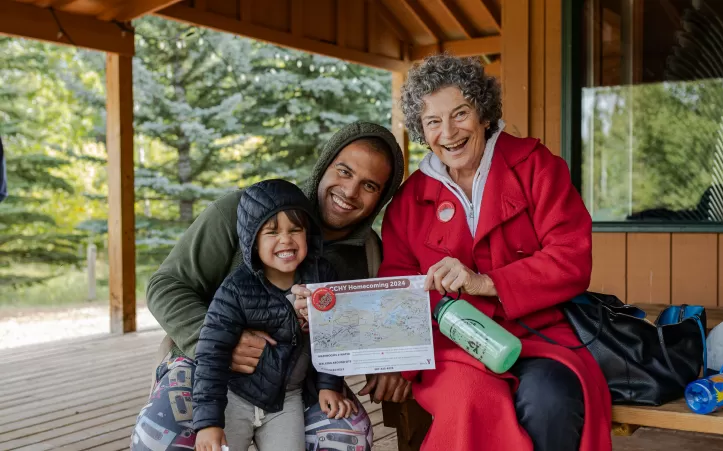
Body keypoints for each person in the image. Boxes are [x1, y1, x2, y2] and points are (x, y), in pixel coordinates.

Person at [375, 54, 612, 450]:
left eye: (460, 113)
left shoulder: (536, 166)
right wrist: (400, 360)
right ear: (422, 129)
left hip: (539, 336)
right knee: (471, 401)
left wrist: (485, 282)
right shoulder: (409, 201)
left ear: (484, 113)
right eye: (433, 121)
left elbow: (572, 257)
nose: (448, 132)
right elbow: (395, 285)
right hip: (452, 347)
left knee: (550, 402)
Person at [131, 122, 409, 450]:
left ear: (381, 198)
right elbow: (166, 285)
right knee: (163, 436)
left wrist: (396, 362)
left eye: (369, 186)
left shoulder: (368, 256)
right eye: (344, 171)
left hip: (297, 382)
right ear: (324, 166)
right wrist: (217, 339)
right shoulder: (241, 210)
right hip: (205, 362)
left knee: (345, 437)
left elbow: (369, 332)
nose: (349, 192)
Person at [193, 180, 357, 451]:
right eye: (271, 232)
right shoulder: (235, 290)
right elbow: (211, 354)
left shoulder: (320, 277)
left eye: (295, 229)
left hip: (287, 400)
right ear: (252, 241)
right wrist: (209, 422)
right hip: (235, 397)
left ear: (308, 234)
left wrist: (329, 386)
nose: (286, 239)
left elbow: (332, 335)